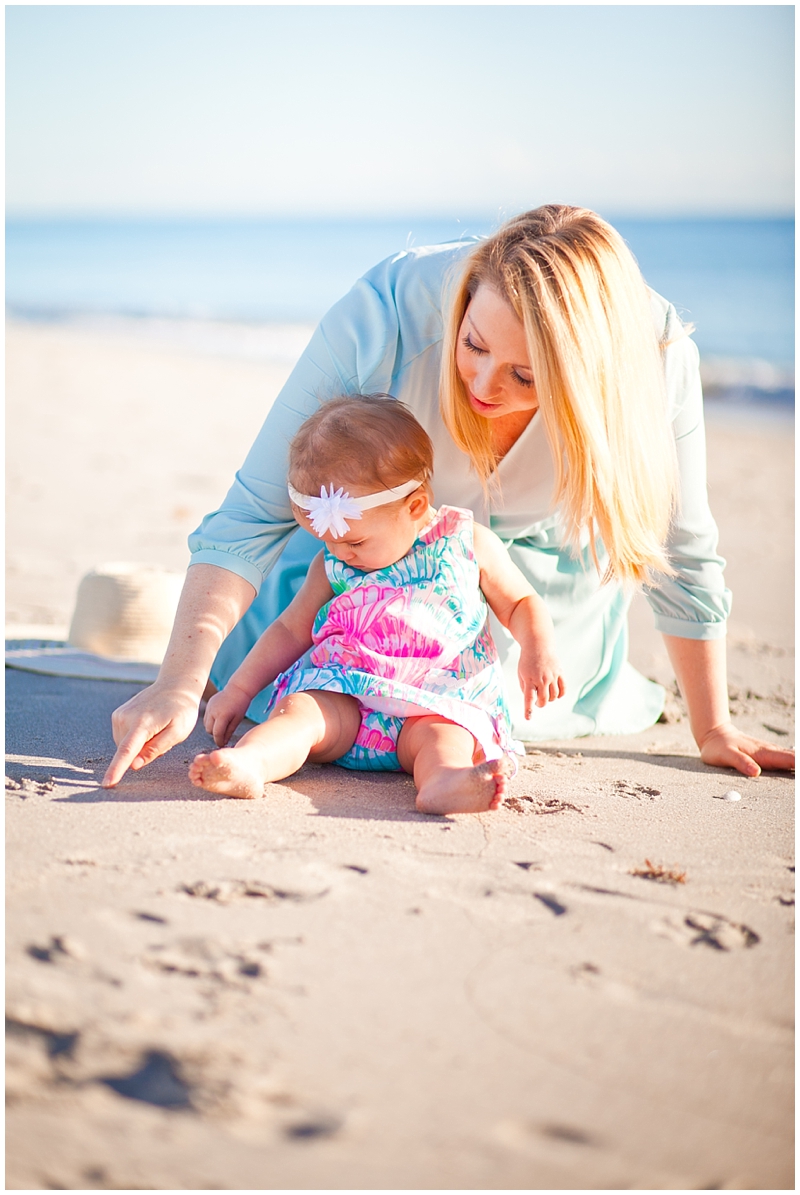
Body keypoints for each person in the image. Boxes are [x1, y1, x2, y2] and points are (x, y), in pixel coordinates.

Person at [101, 204, 794, 789]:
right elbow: (248, 517)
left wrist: (713, 724)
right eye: (474, 344)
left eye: (526, 374)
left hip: (527, 617)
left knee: (463, 734)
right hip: (349, 607)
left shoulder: (655, 357)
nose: (487, 384)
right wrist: (178, 682)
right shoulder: (384, 317)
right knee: (296, 698)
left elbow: (681, 546)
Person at [188, 395, 564, 815]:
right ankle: (251, 762)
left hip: (435, 701)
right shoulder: (331, 563)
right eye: (326, 540)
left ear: (416, 506)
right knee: (300, 714)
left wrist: (538, 649)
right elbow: (291, 629)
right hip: (346, 697)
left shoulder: (468, 542)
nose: (338, 551)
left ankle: (443, 782)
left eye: (354, 541)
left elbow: (520, 602)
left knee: (446, 740)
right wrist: (239, 689)